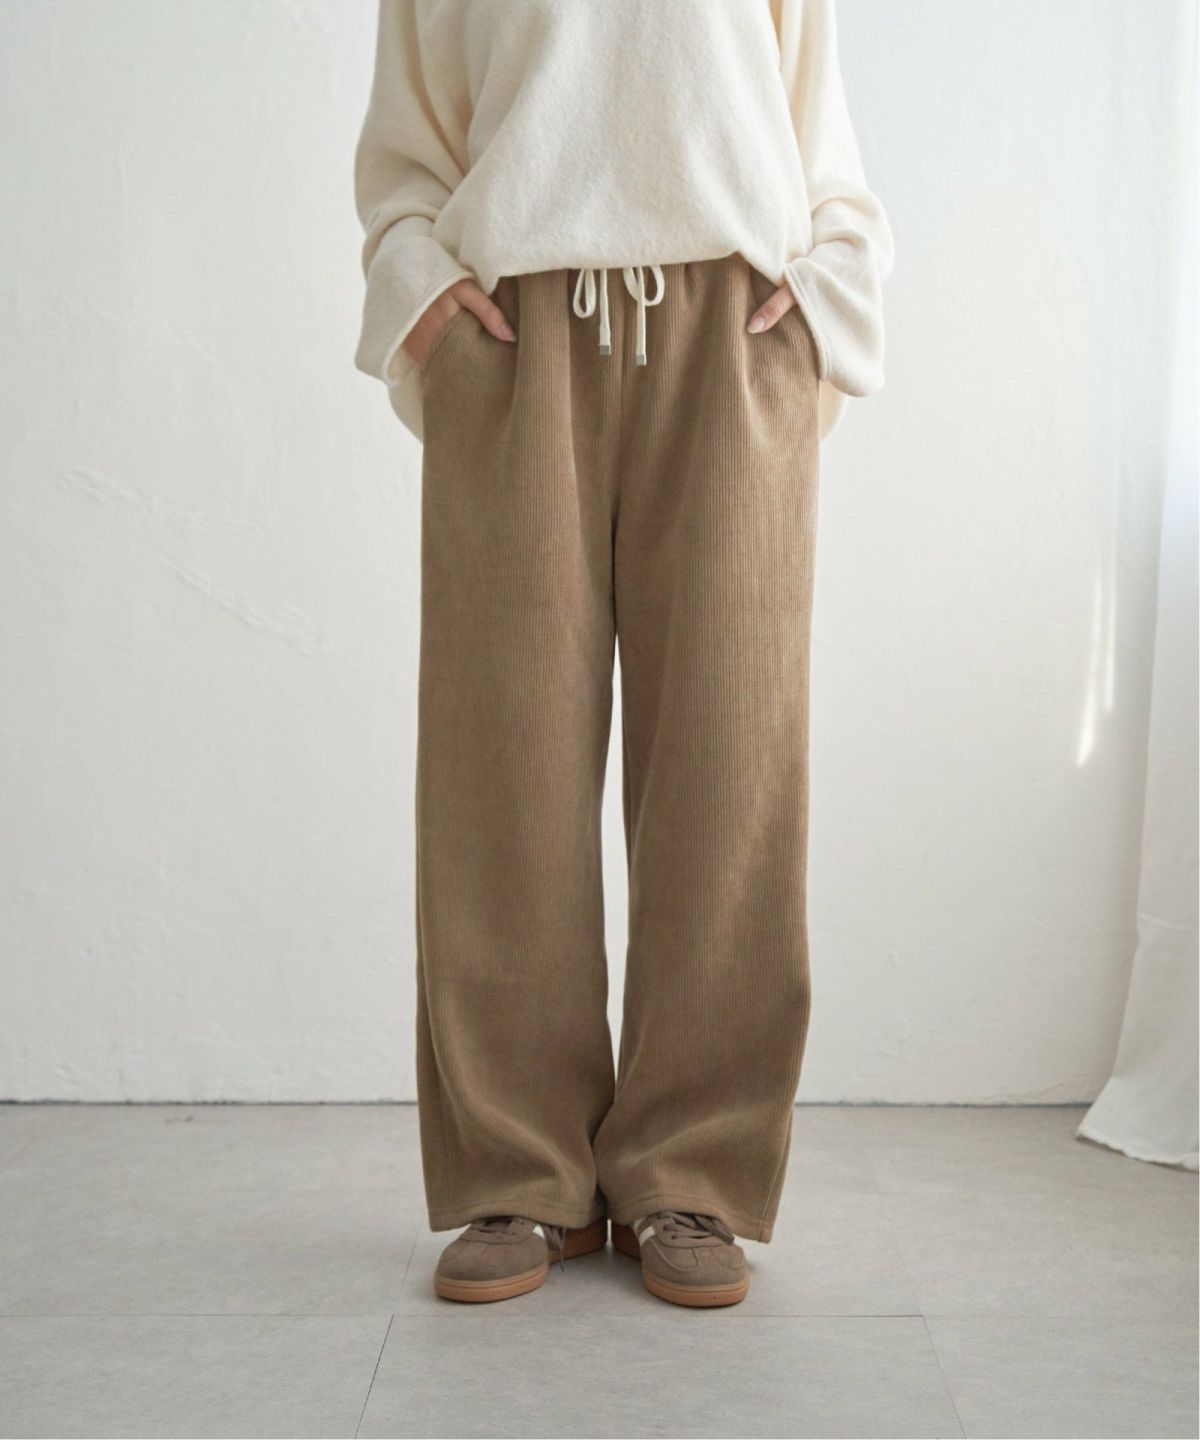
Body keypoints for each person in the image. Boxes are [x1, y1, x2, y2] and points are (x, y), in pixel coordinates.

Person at [354, 0, 892, 1309]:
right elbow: (405, 146)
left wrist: (826, 300)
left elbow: (820, 134)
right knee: (502, 766)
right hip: (510, 329)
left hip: (734, 329)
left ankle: (689, 1171)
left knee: (728, 764)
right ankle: (518, 1171)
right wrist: (420, 290)